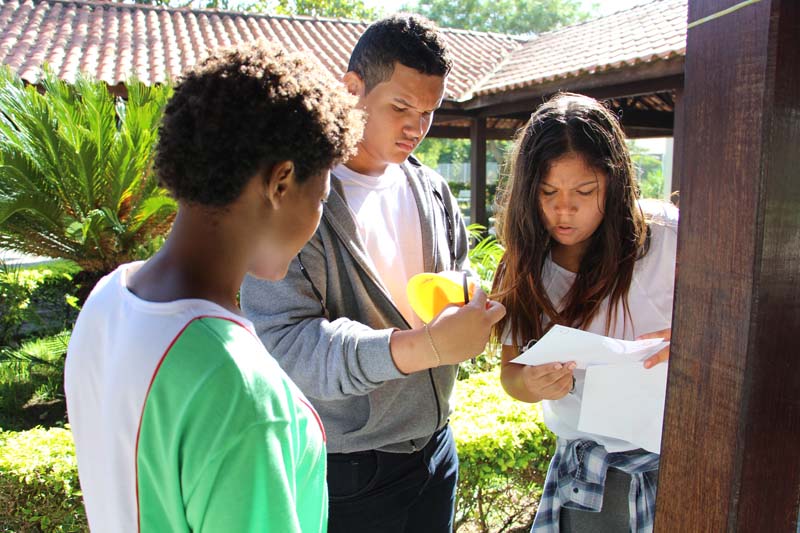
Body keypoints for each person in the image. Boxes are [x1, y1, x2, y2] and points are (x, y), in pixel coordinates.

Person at [64, 43, 363, 532]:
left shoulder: (108, 301)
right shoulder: (238, 387)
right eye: (322, 197)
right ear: (281, 182)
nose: (317, 219)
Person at [241, 14, 505, 533]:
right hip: (350, 467)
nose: (416, 127)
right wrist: (424, 348)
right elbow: (289, 348)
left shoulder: (433, 191)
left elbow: (461, 281)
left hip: (437, 447)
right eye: (401, 107)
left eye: (428, 111)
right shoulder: (292, 198)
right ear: (352, 88)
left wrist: (478, 307)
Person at [491, 93, 677, 532]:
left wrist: (692, 340)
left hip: (676, 463)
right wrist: (532, 382)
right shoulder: (524, 265)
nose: (564, 209)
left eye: (584, 191)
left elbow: (740, 329)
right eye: (548, 192)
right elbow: (511, 375)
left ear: (614, 183)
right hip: (586, 478)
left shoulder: (668, 237)